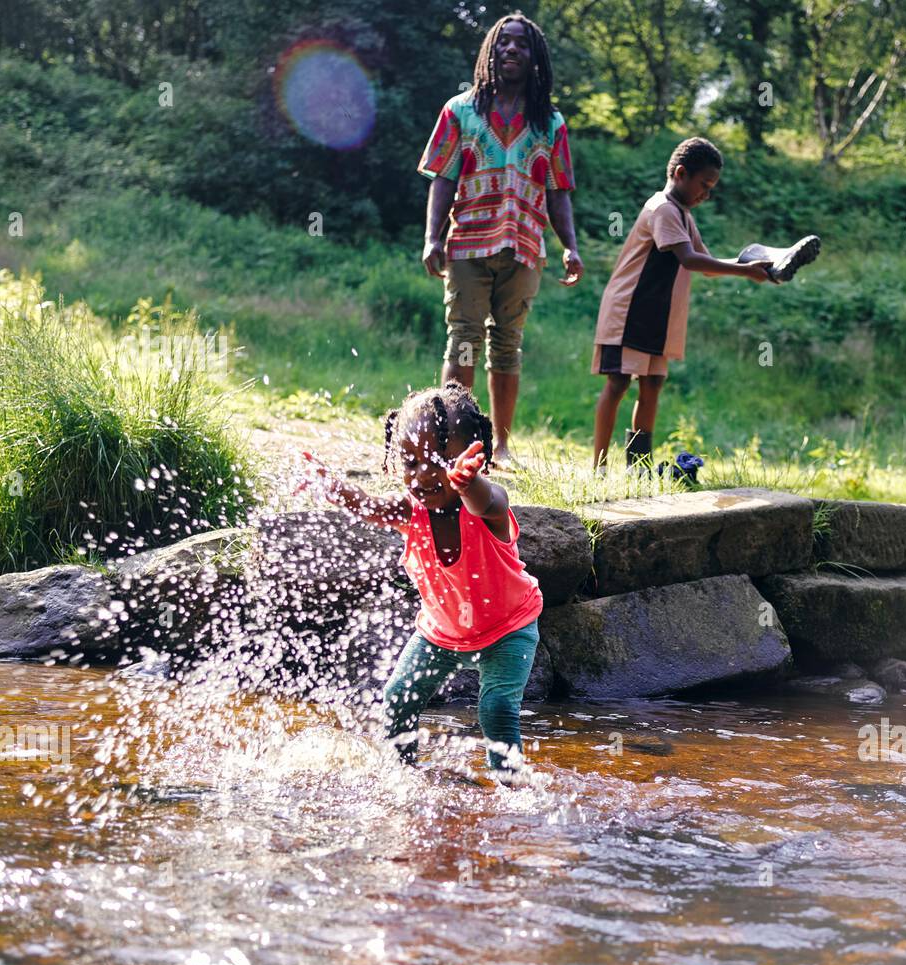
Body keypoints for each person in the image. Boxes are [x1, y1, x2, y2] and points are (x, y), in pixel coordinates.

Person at [298, 382, 544, 780]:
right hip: (442, 635)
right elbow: (368, 506)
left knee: (495, 707)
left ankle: (512, 790)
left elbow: (491, 502)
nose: (425, 474)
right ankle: (403, 775)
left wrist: (469, 485)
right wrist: (335, 487)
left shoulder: (486, 507)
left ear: (473, 459)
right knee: (398, 696)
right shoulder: (410, 512)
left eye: (441, 461)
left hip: (508, 629)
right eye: (410, 462)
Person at [417, 12, 583, 469]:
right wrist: (433, 238)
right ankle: (454, 442)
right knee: (464, 340)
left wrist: (570, 245)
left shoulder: (551, 122)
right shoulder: (460, 110)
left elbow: (558, 190)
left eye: (521, 45)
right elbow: (443, 178)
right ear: (491, 52)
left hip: (526, 245)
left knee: (508, 343)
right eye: (503, 43)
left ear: (535, 59)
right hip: (468, 243)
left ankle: (501, 447)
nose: (511, 50)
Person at [591, 137, 792, 471]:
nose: (707, 194)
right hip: (628, 312)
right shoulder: (663, 209)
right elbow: (688, 259)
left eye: (711, 188)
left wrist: (754, 267)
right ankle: (598, 468)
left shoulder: (683, 215)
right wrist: (744, 270)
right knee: (619, 383)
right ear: (681, 173)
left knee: (652, 384)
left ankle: (637, 466)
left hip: (657, 317)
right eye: (704, 185)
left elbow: (706, 262)